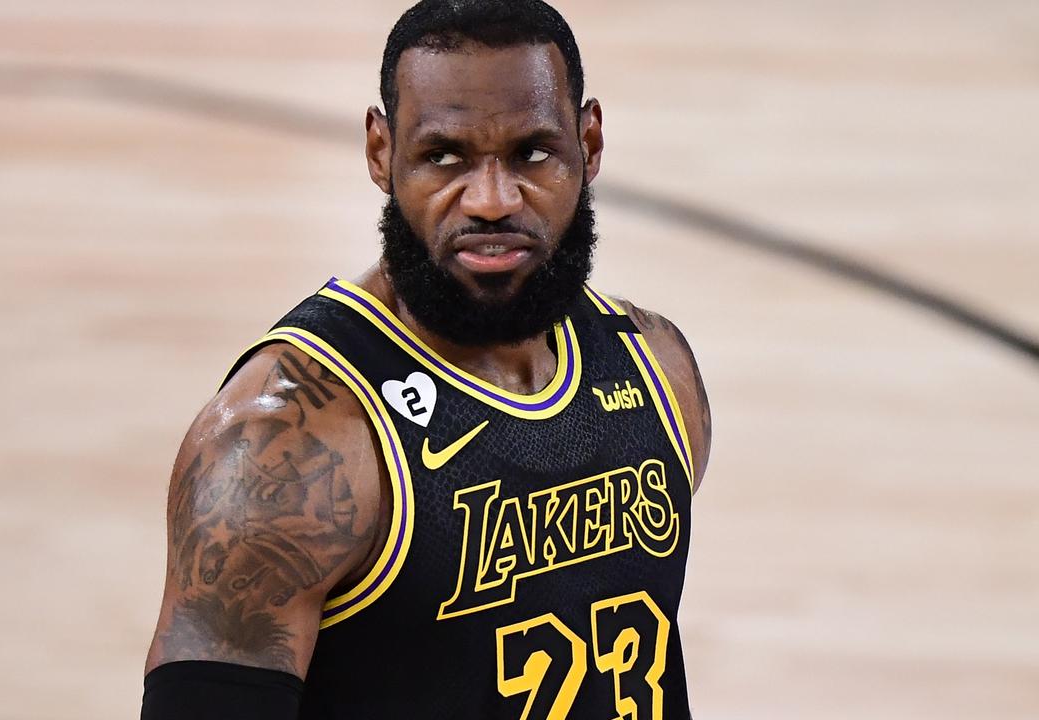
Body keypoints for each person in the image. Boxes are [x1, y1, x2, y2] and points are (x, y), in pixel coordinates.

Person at [142, 1, 711, 717]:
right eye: (445, 157)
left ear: (589, 143)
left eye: (533, 153)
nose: (493, 200)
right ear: (381, 151)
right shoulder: (283, 444)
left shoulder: (657, 373)